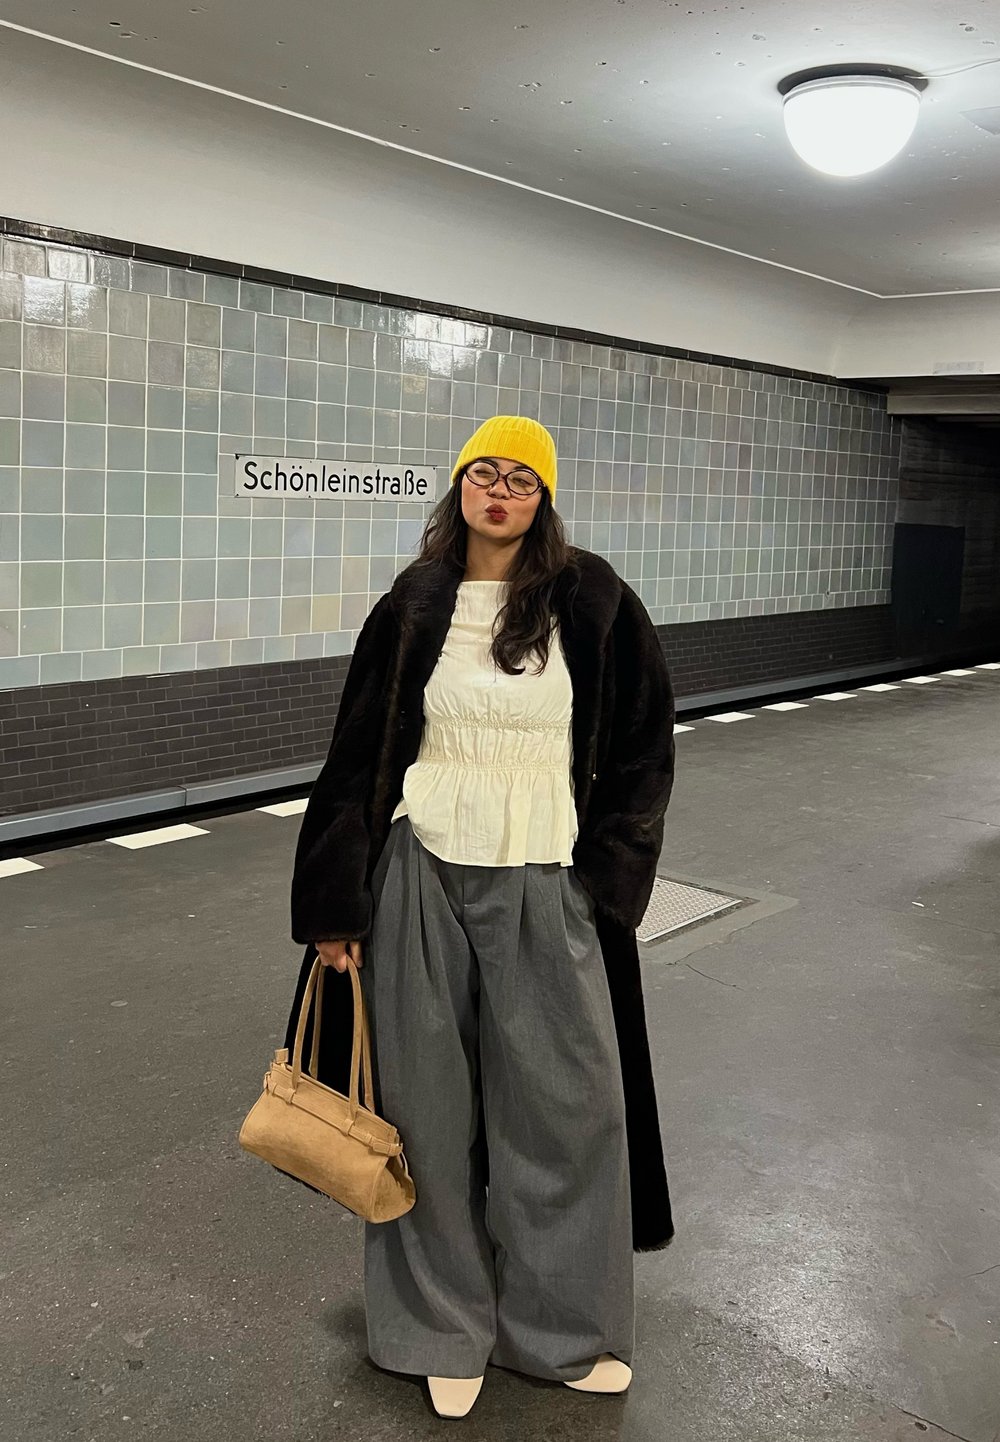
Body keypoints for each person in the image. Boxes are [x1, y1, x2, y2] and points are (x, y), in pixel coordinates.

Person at [283, 415, 677, 1419]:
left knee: (568, 1106)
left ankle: (561, 1330)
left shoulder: (591, 597)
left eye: (520, 480)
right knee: (426, 1107)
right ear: (459, 484)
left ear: (544, 498)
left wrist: (607, 880)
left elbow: (641, 747)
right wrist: (337, 899)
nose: (497, 493)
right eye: (482, 474)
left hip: (548, 875)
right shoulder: (413, 602)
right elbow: (355, 750)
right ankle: (439, 1327)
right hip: (420, 869)